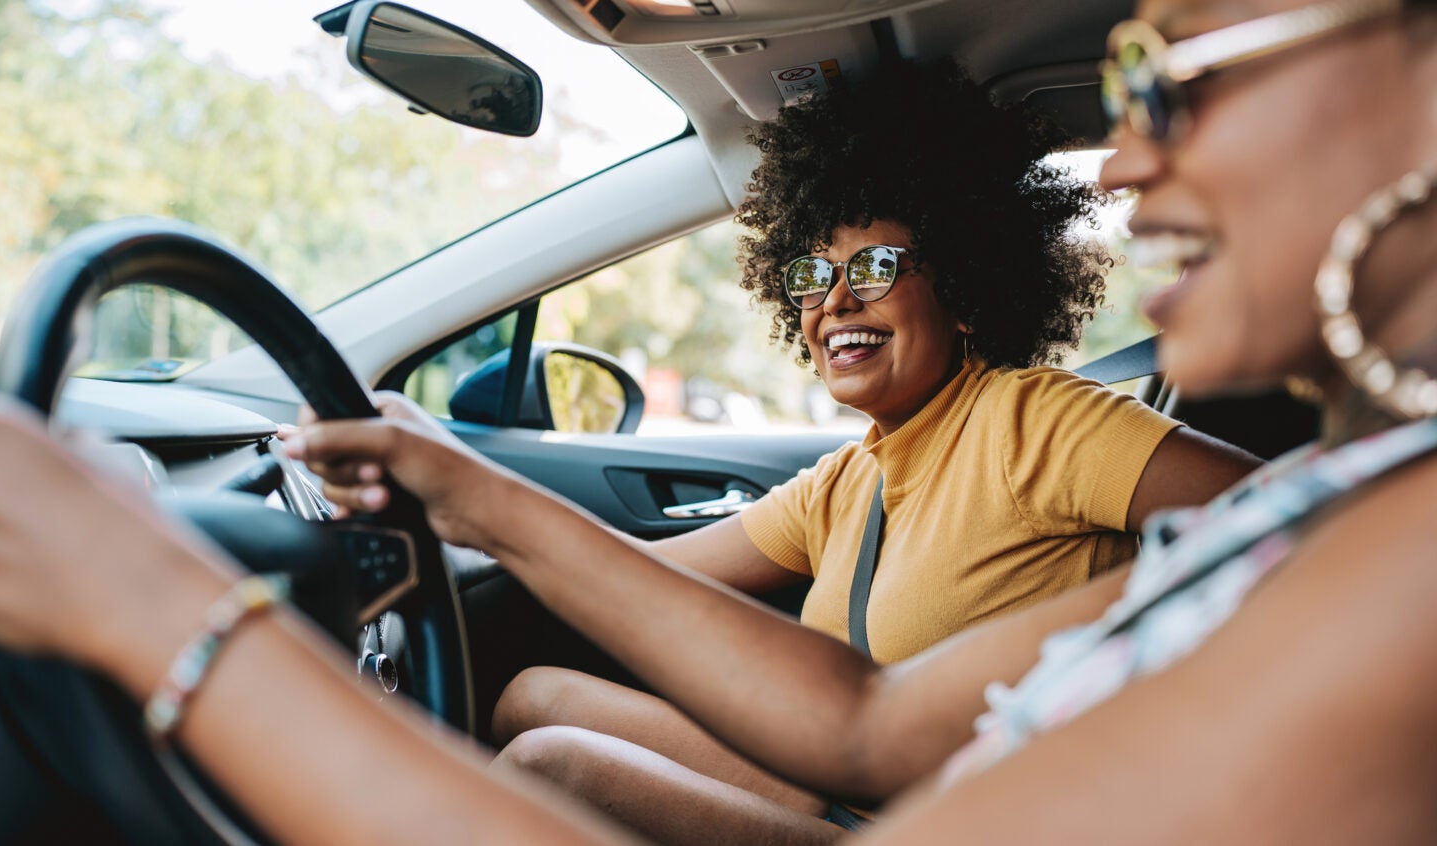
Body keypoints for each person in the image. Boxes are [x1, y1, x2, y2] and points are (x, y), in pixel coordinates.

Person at [0, 0, 1436, 841]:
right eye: (816, 271)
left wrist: (154, 601)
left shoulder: (1391, 567)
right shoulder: (1335, 517)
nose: (1117, 165)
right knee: (534, 716)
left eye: (1165, 77)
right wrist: (466, 482)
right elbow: (860, 720)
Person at [485, 59, 1255, 842]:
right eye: (814, 274)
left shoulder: (1038, 422)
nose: (837, 301)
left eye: (876, 266)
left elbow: (1305, 524)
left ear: (964, 292)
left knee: (552, 762)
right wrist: (462, 518)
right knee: (534, 696)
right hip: (836, 791)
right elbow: (637, 579)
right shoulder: (845, 481)